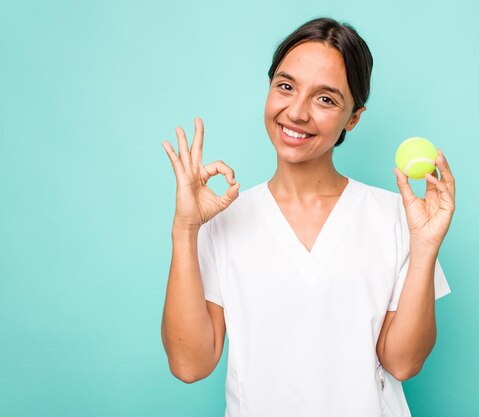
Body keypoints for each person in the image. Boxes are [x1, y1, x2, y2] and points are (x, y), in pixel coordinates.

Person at [160, 17, 456, 417]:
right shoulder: (224, 220)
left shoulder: (397, 218)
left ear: (353, 117)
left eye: (325, 99)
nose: (296, 112)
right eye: (286, 87)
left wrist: (424, 248)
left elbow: (403, 363)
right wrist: (185, 228)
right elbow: (189, 365)